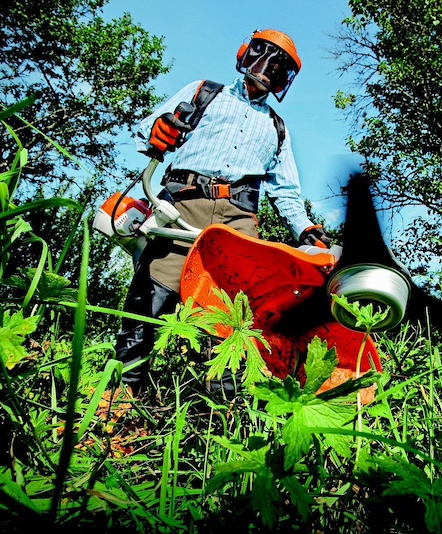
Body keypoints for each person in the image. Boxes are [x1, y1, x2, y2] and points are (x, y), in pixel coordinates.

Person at [114, 29, 331, 397]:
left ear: (284, 79)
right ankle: (122, 394)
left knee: (237, 313)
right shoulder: (205, 92)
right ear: (246, 53)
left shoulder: (277, 129)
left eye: (279, 67)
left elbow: (285, 192)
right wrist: (159, 130)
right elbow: (147, 130)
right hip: (184, 201)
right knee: (152, 294)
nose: (268, 68)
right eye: (263, 55)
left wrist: (305, 228)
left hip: (238, 219)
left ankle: (221, 406)